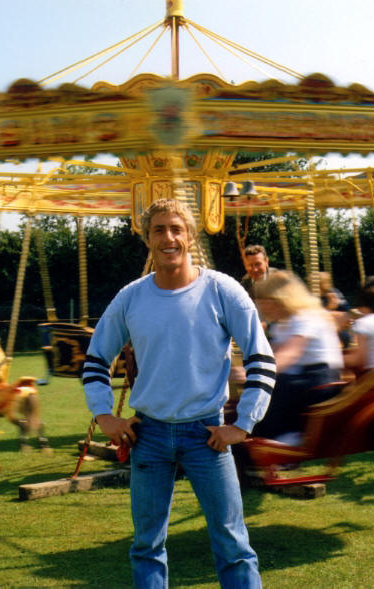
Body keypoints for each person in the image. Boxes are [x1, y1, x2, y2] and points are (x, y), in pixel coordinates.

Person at [82, 198, 276, 589]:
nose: (168, 237)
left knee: (233, 544)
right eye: (159, 229)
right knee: (146, 546)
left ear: (190, 236)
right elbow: (95, 358)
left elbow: (261, 355)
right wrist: (103, 415)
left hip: (207, 435)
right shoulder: (131, 297)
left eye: (176, 229)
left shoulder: (221, 290)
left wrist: (244, 423)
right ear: (147, 238)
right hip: (148, 436)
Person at [249, 271, 344, 443]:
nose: (261, 307)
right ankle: (263, 437)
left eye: (264, 301)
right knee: (265, 388)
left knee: (278, 387)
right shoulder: (283, 324)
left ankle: (287, 438)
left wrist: (255, 372)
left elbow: (290, 354)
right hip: (304, 377)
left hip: (321, 380)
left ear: (280, 300)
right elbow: (271, 355)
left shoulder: (307, 318)